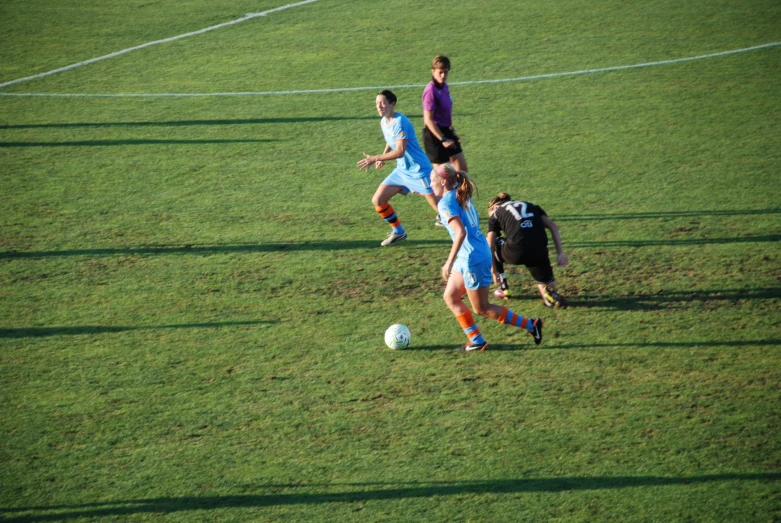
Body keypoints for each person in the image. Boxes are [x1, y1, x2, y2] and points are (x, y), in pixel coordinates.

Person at [432, 164, 543, 351]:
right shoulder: (461, 193)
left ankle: (532, 325)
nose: (429, 184)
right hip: (471, 254)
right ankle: (476, 340)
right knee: (451, 297)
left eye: (431, 180)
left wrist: (448, 262)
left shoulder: (446, 203)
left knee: (481, 308)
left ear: (443, 181)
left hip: (472, 259)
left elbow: (460, 233)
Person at [357, 90, 440, 247]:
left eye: (383, 103)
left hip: (418, 171)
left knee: (442, 211)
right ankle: (399, 231)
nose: (379, 107)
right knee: (378, 200)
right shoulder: (384, 122)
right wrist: (383, 155)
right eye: (377, 104)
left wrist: (376, 157)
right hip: (402, 172)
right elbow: (391, 141)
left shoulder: (400, 121)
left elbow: (400, 151)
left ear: (392, 104)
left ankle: (465, 233)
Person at [486, 192, 569, 308]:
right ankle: (549, 296)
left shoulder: (496, 213)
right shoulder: (532, 206)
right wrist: (560, 253)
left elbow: (489, 243)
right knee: (546, 285)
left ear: (494, 208)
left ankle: (503, 288)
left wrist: (493, 271)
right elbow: (553, 226)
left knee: (494, 242)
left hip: (516, 251)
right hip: (539, 249)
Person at [422, 55, 468, 174]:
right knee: (442, 177)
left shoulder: (444, 87)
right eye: (440, 72)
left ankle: (461, 193)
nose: (443, 75)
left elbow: (446, 113)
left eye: (445, 72)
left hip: (446, 131)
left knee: (462, 171)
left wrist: (452, 132)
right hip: (435, 135)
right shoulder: (430, 91)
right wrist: (443, 139)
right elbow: (428, 120)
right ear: (433, 71)